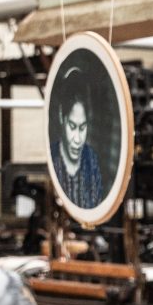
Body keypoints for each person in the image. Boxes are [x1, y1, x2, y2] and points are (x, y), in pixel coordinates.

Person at [50, 61, 109, 212]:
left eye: (82, 128)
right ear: (61, 117)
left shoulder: (92, 160)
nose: (77, 139)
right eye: (72, 126)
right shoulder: (53, 157)